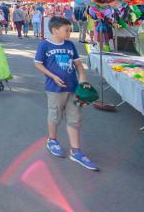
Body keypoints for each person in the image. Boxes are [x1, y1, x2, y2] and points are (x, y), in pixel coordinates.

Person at [34, 17, 98, 171]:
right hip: (54, 89)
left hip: (73, 88)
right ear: (55, 30)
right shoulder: (44, 45)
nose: (70, 32)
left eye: (70, 30)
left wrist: (83, 82)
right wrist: (53, 76)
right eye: (67, 30)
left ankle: (76, 151)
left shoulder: (70, 45)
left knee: (74, 118)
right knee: (54, 115)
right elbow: (38, 63)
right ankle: (52, 140)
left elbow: (78, 65)